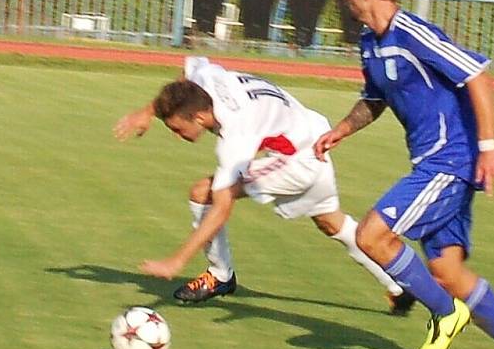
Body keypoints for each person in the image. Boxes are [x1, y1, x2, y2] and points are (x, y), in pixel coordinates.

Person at [313, 0, 494, 349]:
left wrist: (489, 146)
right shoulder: (370, 43)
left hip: (450, 160)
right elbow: (375, 99)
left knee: (372, 235)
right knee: (445, 270)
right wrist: (342, 129)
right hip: (435, 161)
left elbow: (476, 74)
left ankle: (444, 314)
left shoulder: (413, 33)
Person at [114, 55, 416, 314]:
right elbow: (187, 75)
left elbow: (221, 209)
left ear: (200, 116)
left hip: (298, 160)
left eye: (178, 129)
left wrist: (176, 261)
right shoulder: (204, 82)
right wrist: (147, 112)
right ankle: (400, 285)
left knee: (202, 194)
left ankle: (219, 276)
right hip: (312, 133)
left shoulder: (236, 134)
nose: (176, 135)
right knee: (329, 222)